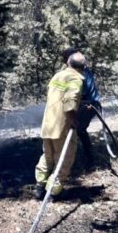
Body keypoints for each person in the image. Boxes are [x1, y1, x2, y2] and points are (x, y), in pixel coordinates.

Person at [33, 52, 84, 199]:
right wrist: (73, 118)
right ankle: (53, 193)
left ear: (68, 63)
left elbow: (55, 96)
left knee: (47, 157)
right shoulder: (76, 79)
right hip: (63, 126)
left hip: (48, 124)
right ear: (83, 67)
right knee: (64, 159)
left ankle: (39, 187)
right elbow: (70, 101)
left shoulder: (58, 76)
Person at [61, 49, 102, 170]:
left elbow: (82, 93)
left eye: (65, 59)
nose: (64, 62)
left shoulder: (82, 73)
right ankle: (83, 159)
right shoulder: (74, 72)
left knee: (78, 129)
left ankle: (88, 160)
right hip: (84, 104)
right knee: (77, 130)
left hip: (90, 105)